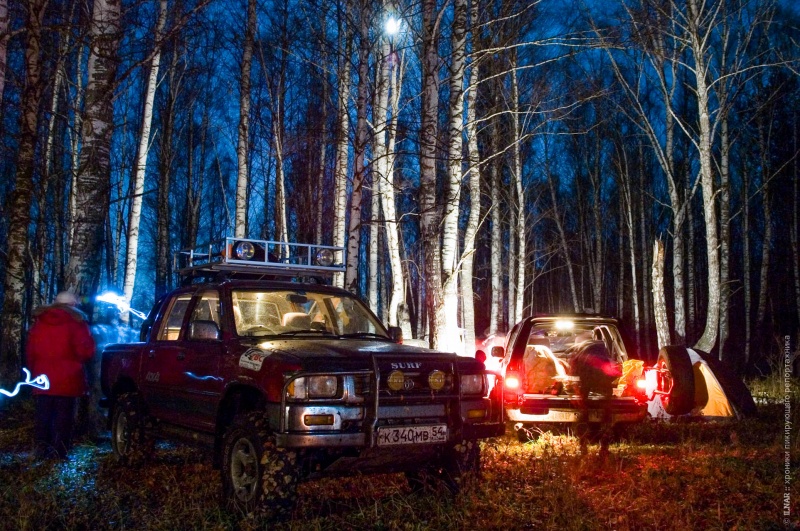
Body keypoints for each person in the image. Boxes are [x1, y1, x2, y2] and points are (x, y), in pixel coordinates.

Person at [27, 291, 95, 459]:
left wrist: (33, 371)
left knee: (43, 415)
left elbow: (31, 350)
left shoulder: (40, 321)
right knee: (64, 417)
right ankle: (59, 452)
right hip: (68, 378)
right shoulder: (77, 322)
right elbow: (85, 351)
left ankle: (40, 449)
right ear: (73, 304)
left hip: (42, 377)